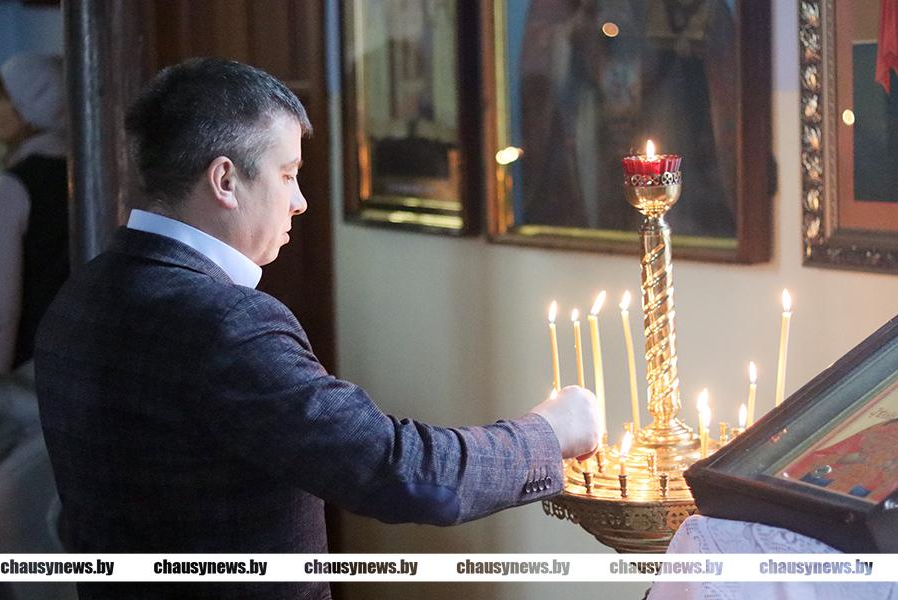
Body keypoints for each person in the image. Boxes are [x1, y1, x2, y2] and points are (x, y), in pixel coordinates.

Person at [34, 58, 599, 600]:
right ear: (225, 180)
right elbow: (399, 471)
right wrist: (550, 433)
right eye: (287, 175)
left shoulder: (81, 294)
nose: (300, 202)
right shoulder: (228, 324)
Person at [0, 53, 68, 375]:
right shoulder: (83, 172)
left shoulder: (13, 187)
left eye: (3, 99)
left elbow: (4, 310)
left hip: (28, 372)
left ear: (24, 109)